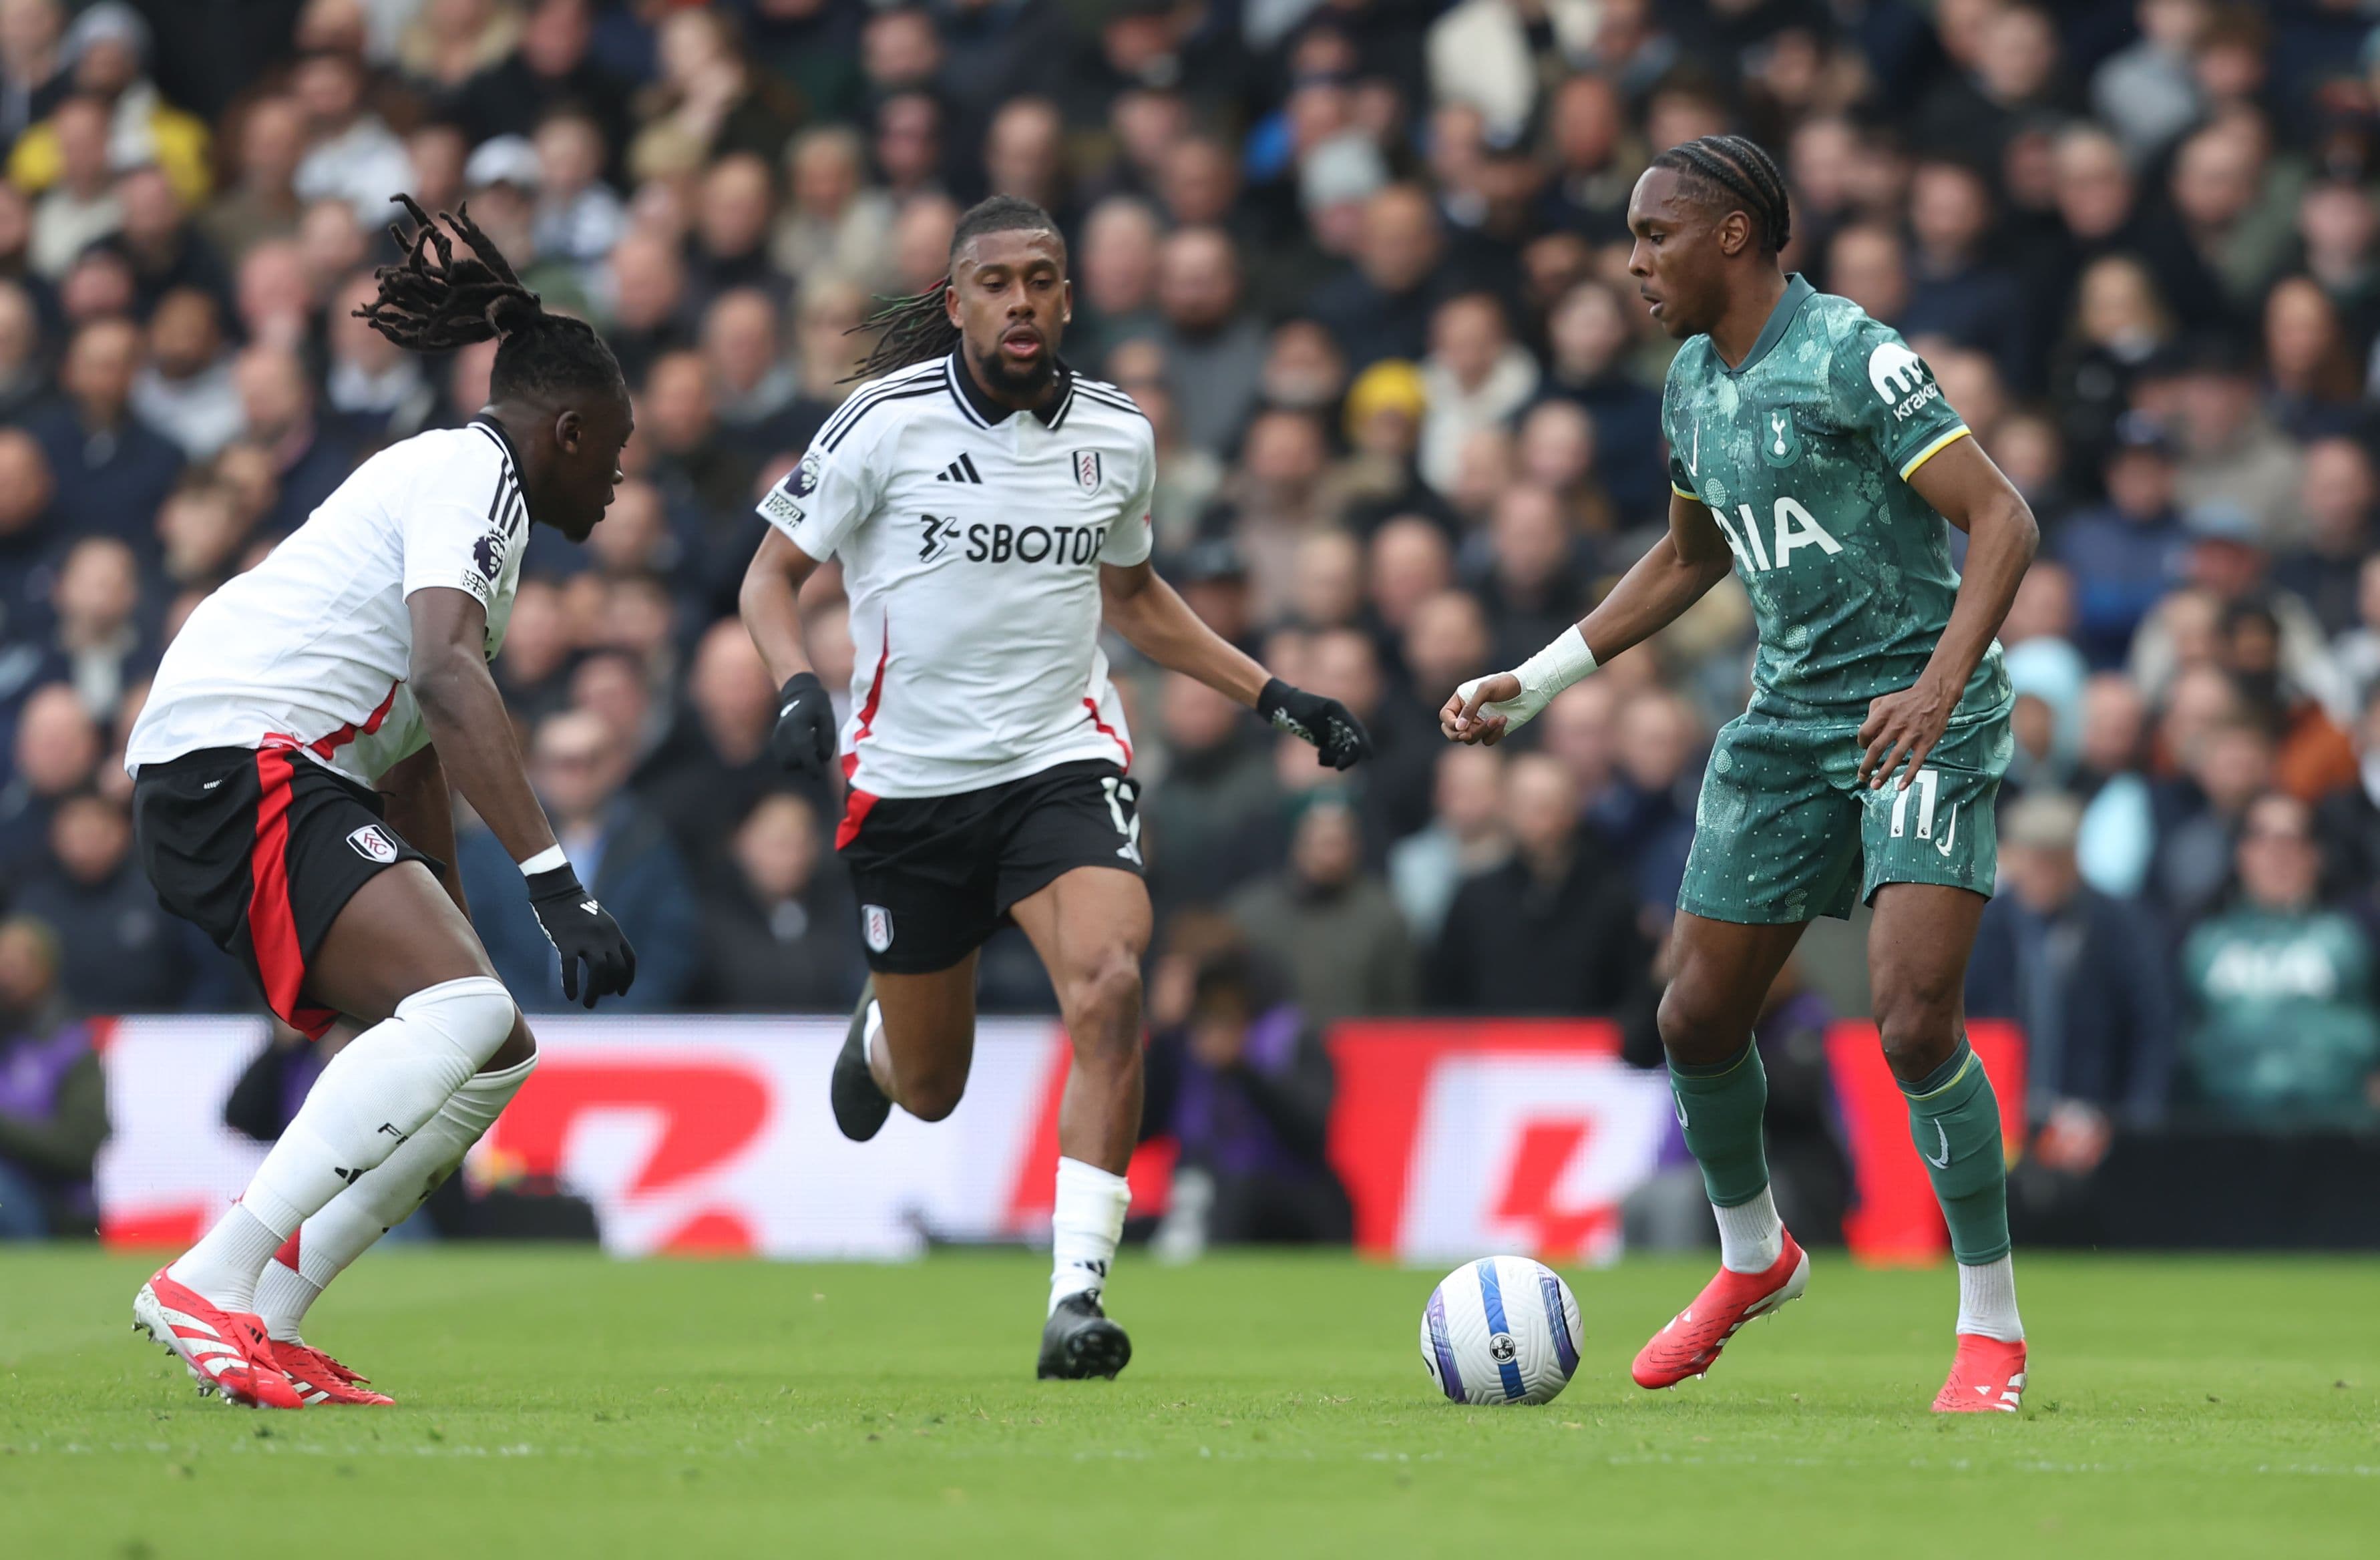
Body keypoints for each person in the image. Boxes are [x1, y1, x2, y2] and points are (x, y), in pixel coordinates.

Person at [1444, 136, 2041, 1413]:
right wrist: (1535, 677)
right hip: (1786, 725)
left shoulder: (1848, 354)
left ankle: (1988, 1325)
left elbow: (2002, 518)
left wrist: (1936, 685)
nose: (1632, 260)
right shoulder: (1687, 387)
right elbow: (1685, 557)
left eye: (1653, 234)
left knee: (1912, 1021)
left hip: (1914, 712)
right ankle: (1752, 1257)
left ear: (1730, 234)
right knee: (1692, 1020)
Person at [739, 194, 1372, 1382]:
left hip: (1058, 761)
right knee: (931, 1089)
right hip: (911, 786)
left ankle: (1074, 1296)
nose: (1020, 299)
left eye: (1041, 278)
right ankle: (883, 1036)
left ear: (1068, 296)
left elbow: (1130, 599)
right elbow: (770, 577)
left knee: (1113, 982)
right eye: (995, 281)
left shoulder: (1117, 433)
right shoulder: (880, 422)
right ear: (955, 301)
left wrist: (1272, 695)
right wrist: (791, 685)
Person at [120, 199, 638, 1410]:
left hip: (268, 770)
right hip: (235, 761)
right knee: (464, 1008)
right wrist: (556, 888)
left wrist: (449, 936)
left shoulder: (475, 514)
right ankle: (212, 1274)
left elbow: (411, 748)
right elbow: (443, 681)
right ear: (564, 430)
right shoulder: (472, 477)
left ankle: (273, 1310)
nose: (614, 481)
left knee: (489, 1041)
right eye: (610, 451)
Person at [0, 915, 108, 1240]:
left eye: (14, 964)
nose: (4, 975)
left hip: (52, 1203)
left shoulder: (71, 1049)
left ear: (46, 970)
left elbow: (79, 1149)